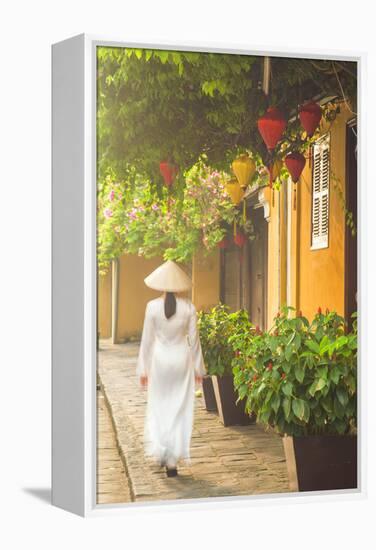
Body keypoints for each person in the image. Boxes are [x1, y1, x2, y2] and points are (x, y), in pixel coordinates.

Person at [136, 260, 206, 477]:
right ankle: (172, 461)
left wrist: (143, 369)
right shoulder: (189, 308)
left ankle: (161, 451)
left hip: (160, 361)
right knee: (178, 409)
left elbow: (147, 341)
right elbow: (194, 342)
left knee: (159, 408)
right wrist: (198, 369)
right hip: (181, 362)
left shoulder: (151, 307)